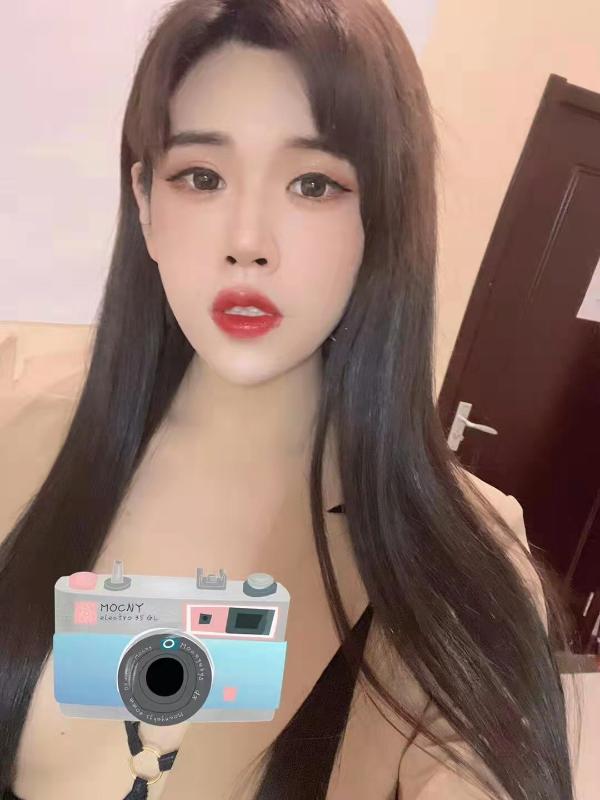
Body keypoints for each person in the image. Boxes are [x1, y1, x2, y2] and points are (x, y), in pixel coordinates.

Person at [0, 1, 580, 798]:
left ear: (383, 216)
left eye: (313, 184)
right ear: (143, 202)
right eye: (201, 177)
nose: (248, 241)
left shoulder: (461, 558)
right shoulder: (20, 424)